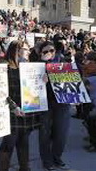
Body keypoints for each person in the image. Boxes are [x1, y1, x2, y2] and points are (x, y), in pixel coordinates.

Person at [0, 40, 41, 171]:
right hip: (12, 111)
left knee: (24, 141)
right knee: (9, 143)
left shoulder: (29, 67)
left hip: (27, 110)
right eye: (25, 49)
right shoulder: (4, 66)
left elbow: (35, 90)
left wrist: (42, 80)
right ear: (15, 50)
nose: (28, 52)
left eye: (28, 49)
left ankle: (24, 168)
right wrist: (12, 107)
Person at [38, 41, 71, 171]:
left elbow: (73, 79)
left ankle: (57, 158)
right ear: (40, 53)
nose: (49, 54)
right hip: (45, 103)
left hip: (62, 103)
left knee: (61, 133)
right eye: (45, 51)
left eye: (51, 50)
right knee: (45, 134)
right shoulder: (36, 65)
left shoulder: (63, 62)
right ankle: (47, 161)